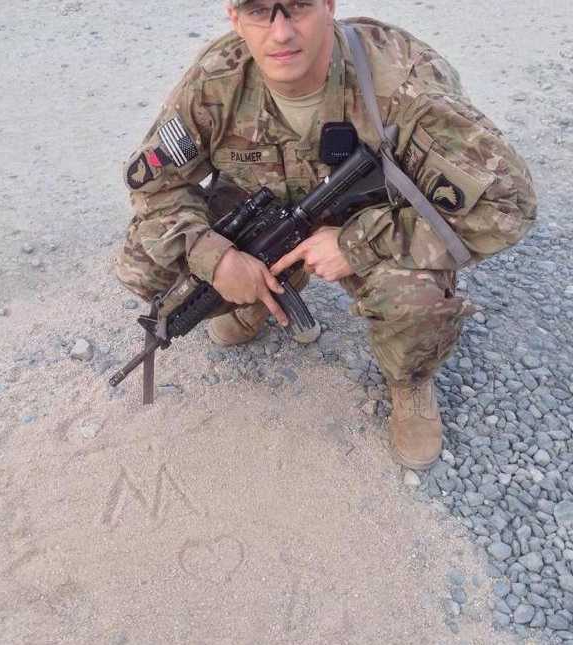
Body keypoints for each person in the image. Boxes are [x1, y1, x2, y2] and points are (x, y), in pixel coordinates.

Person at [114, 0, 537, 469]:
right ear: (234, 17)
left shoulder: (401, 80)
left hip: (370, 221)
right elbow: (155, 187)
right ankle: (268, 287)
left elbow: (506, 205)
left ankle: (411, 376)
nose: (280, 33)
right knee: (146, 259)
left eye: (296, 7)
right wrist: (218, 259)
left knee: (415, 299)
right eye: (259, 11)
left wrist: (355, 244)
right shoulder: (217, 81)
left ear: (329, 5)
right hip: (266, 216)